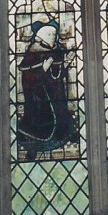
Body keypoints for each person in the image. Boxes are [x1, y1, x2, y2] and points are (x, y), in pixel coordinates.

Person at [17, 21, 77, 158]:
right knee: (41, 118)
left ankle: (64, 135)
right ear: (40, 36)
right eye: (48, 34)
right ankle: (34, 147)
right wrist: (42, 69)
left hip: (56, 93)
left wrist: (66, 62)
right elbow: (27, 77)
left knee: (61, 113)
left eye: (54, 34)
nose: (52, 36)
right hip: (39, 98)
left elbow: (57, 75)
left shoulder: (56, 51)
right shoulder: (32, 53)